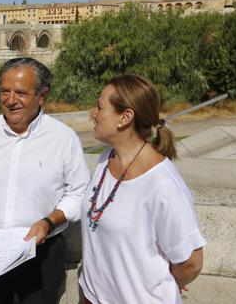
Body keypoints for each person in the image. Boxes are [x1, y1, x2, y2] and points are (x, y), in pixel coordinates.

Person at [0, 57, 91, 304]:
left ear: (41, 95)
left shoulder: (63, 139)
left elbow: (79, 192)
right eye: (4, 91)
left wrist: (49, 222)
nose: (10, 100)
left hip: (43, 254)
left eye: (20, 93)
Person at [80, 74, 205, 304]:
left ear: (125, 117)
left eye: (99, 107)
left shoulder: (163, 185)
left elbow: (191, 263)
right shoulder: (107, 158)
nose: (93, 114)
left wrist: (157, 285)